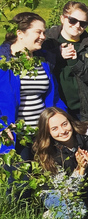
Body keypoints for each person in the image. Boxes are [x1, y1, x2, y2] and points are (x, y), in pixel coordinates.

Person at [1, 12, 67, 156]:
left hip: (42, 135)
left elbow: (53, 98)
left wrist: (66, 120)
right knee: (19, 177)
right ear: (20, 33)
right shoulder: (4, 62)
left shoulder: (43, 61)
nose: (43, 37)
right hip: (13, 136)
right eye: (38, 32)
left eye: (44, 32)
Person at [32, 107, 88, 219]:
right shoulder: (46, 151)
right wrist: (80, 170)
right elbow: (66, 191)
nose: (62, 131)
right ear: (48, 132)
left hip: (86, 187)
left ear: (70, 121)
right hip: (56, 192)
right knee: (77, 212)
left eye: (64, 124)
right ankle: (50, 217)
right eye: (54, 129)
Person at [43, 1, 88, 124]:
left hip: (83, 111)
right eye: (72, 20)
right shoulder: (46, 41)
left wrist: (76, 64)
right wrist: (56, 55)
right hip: (52, 109)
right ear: (62, 18)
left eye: (83, 24)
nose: (77, 26)